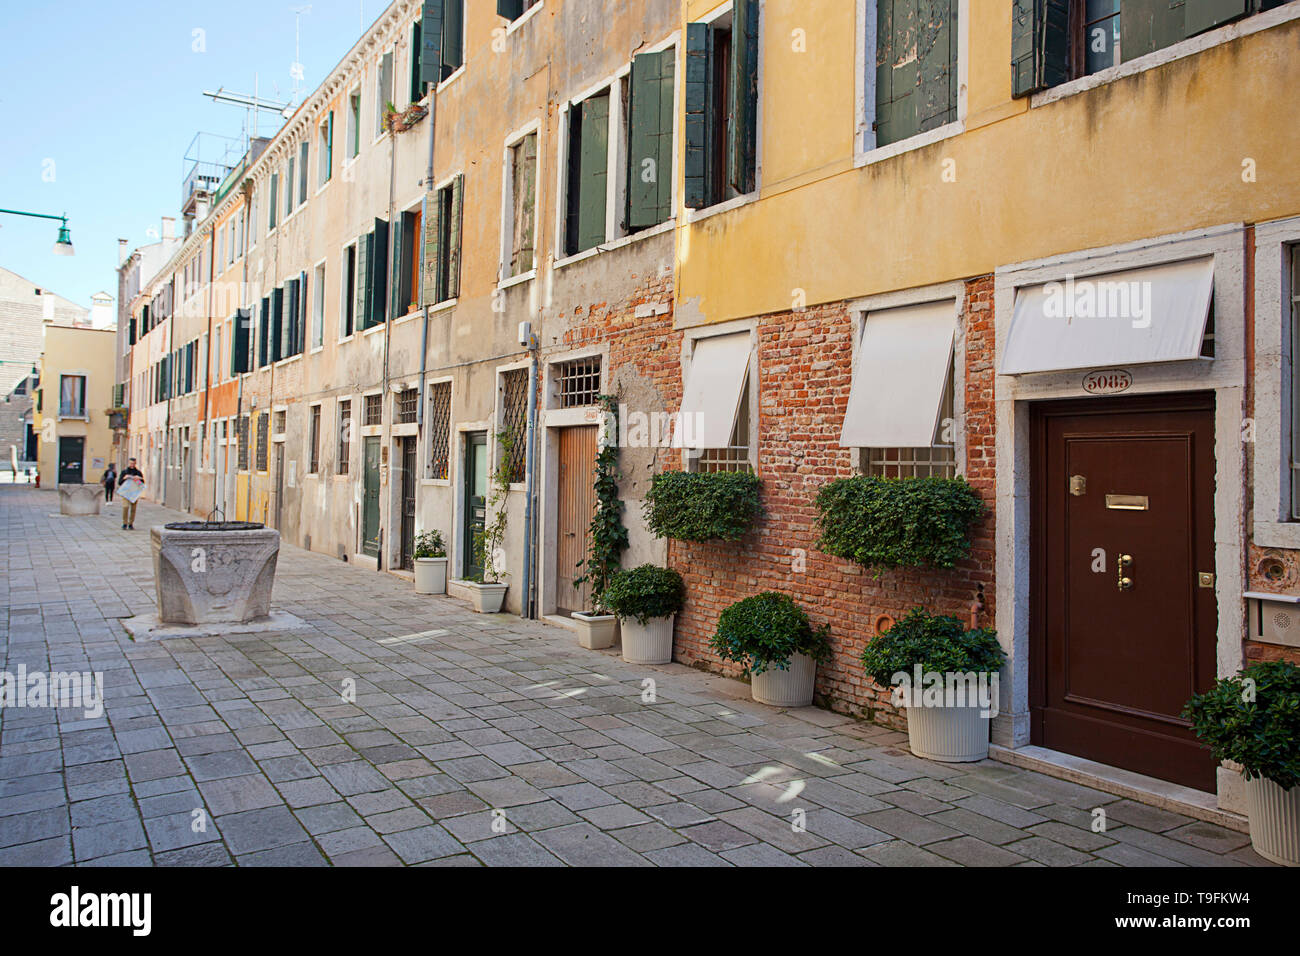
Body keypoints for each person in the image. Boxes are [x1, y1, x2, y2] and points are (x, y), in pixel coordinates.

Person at [119, 458, 144, 530]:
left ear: (135, 464)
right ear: (129, 463)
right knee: (125, 507)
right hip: (126, 493)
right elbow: (119, 483)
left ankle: (131, 523)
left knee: (133, 509)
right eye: (131, 463)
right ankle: (124, 523)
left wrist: (139, 479)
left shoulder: (138, 472)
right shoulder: (124, 472)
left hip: (134, 493)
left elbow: (142, 484)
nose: (132, 465)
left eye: (133, 463)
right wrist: (124, 478)